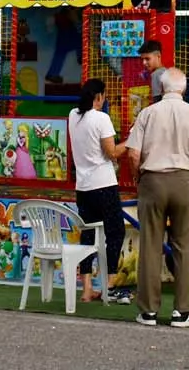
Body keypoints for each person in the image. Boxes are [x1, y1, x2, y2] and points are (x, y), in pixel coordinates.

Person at [125, 68, 189, 328]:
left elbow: (132, 154)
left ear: (161, 88)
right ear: (183, 89)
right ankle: (182, 312)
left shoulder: (147, 114)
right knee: (183, 247)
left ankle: (149, 311)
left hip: (152, 180)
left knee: (151, 245)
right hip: (185, 180)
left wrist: (138, 177)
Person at [68, 79, 130, 304]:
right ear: (100, 97)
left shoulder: (73, 115)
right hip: (103, 185)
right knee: (115, 232)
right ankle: (109, 285)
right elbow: (112, 152)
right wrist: (132, 140)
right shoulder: (101, 118)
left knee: (87, 236)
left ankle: (86, 290)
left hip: (83, 187)